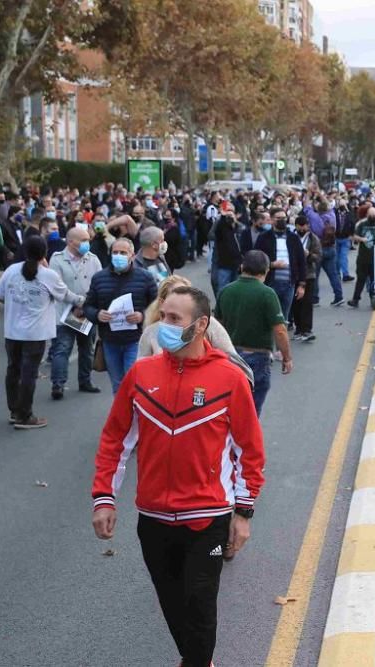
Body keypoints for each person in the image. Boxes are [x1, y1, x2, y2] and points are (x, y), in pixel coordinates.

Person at [91, 286, 265, 667]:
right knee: (172, 604)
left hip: (208, 518)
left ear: (201, 325)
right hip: (153, 519)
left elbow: (248, 450)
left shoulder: (230, 378)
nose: (163, 327)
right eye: (162, 317)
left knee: (200, 605)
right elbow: (115, 439)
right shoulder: (141, 374)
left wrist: (243, 512)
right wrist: (105, 497)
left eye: (174, 319)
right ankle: (195, 659)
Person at [0, 236, 77, 429]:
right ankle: (25, 416)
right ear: (44, 253)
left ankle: (15, 411)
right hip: (35, 334)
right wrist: (84, 300)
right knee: (29, 373)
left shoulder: (11, 271)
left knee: (13, 370)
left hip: (12, 331)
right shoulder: (48, 275)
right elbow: (65, 295)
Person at [215, 250, 293, 414]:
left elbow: (217, 327)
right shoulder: (267, 294)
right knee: (250, 409)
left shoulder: (226, 291)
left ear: (242, 267)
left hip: (228, 355)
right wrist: (286, 357)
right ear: (266, 270)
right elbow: (280, 330)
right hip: (256, 357)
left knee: (227, 404)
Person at [83, 237, 159, 394]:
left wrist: (142, 316)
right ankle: (122, 417)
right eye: (115, 252)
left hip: (136, 340)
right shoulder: (99, 278)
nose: (119, 256)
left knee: (133, 381)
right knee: (118, 385)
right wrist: (97, 314)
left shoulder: (145, 277)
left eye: (123, 252)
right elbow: (88, 306)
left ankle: (136, 416)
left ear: (132, 255)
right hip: (110, 341)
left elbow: (157, 306)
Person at [48, 225, 103, 398]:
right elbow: (57, 286)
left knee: (87, 349)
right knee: (62, 349)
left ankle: (85, 381)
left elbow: (99, 283)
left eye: (88, 239)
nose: (87, 243)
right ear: (71, 242)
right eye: (83, 240)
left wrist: (88, 303)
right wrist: (77, 301)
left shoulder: (92, 259)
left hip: (87, 312)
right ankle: (58, 384)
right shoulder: (57, 259)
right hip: (65, 312)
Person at [254, 208, 307, 323]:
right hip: (269, 283)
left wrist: (302, 284)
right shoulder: (264, 237)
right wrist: (272, 264)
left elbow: (301, 261)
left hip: (289, 284)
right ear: (272, 220)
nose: (282, 220)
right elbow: (256, 258)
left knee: (284, 319)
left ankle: (281, 340)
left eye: (284, 218)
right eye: (278, 218)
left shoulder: (293, 238)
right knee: (268, 317)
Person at [348, 207, 375, 308]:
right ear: (367, 215)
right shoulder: (362, 224)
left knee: (374, 279)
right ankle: (355, 299)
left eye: (374, 215)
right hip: (363, 257)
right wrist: (361, 239)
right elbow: (354, 236)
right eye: (370, 215)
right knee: (361, 279)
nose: (372, 217)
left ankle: (374, 296)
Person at [292, 214, 321, 341]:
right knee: (296, 303)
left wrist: (309, 255)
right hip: (294, 274)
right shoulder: (292, 237)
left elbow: (318, 256)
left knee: (307, 303)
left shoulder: (313, 238)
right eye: (300, 226)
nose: (303, 228)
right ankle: (298, 328)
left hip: (309, 274)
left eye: (305, 226)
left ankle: (307, 330)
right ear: (296, 226)